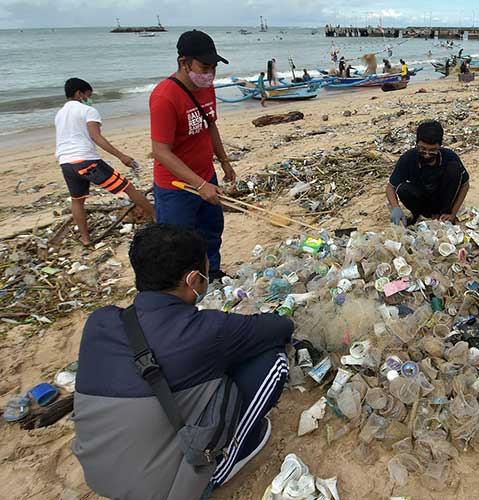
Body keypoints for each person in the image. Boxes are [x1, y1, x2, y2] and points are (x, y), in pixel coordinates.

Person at [73, 224, 292, 498]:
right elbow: (279, 328)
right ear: (192, 279)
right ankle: (229, 460)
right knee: (273, 362)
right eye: (205, 273)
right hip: (167, 492)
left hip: (100, 476)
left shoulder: (99, 322)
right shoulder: (206, 331)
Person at [149, 30, 237, 282]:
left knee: (211, 231)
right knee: (178, 244)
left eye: (213, 68)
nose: (210, 74)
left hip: (206, 176)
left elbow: (210, 126)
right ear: (183, 62)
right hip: (176, 187)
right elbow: (160, 151)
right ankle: (182, 287)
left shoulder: (206, 89)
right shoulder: (164, 96)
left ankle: (214, 274)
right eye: (204, 67)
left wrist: (224, 162)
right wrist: (198, 185)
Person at [55, 78, 154, 246]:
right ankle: (157, 216)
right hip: (86, 161)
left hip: (65, 163)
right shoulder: (87, 110)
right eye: (88, 95)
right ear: (79, 93)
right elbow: (96, 137)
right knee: (127, 187)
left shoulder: (59, 114)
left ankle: (85, 239)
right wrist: (122, 156)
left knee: (77, 200)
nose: (89, 99)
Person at [386, 120, 470, 226]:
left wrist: (453, 213)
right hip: (423, 201)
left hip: (445, 201)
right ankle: (419, 216)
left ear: (440, 146)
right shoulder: (408, 158)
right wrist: (395, 208)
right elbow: (390, 187)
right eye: (423, 148)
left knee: (454, 168)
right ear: (417, 143)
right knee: (403, 188)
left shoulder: (449, 157)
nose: (427, 154)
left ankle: (445, 215)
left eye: (432, 150)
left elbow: (465, 185)